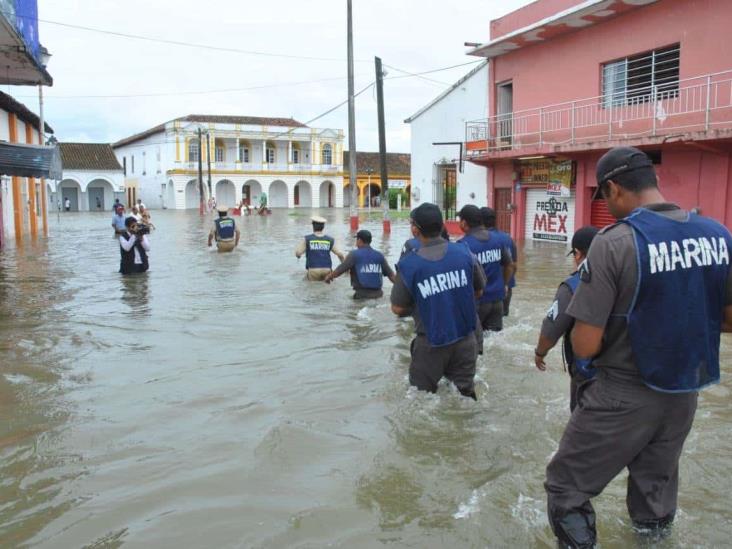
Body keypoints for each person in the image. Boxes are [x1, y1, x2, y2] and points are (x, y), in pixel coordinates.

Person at [544, 146, 732, 548]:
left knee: (566, 488)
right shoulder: (718, 234)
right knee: (654, 498)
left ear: (612, 188)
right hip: (684, 393)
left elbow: (586, 342)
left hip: (623, 392)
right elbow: (728, 319)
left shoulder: (613, 243)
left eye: (603, 195)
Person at [390, 203, 487, 399]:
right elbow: (479, 290)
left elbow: (397, 308)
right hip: (466, 340)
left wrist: (428, 304)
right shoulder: (464, 252)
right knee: (464, 396)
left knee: (421, 398)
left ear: (415, 229)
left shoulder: (409, 264)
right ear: (442, 225)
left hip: (430, 343)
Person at [533, 226, 599, 412]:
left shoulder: (572, 286)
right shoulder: (623, 277)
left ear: (578, 254)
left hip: (588, 373)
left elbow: (552, 328)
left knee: (582, 429)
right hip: (624, 371)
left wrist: (540, 353)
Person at [458, 205, 514, 332]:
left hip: (477, 303)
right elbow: (510, 265)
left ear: (464, 223)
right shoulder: (498, 240)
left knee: (476, 343)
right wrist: (504, 285)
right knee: (494, 340)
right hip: (497, 302)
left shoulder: (463, 246)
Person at [324, 230, 396, 298]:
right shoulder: (379, 255)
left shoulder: (354, 255)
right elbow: (392, 276)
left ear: (359, 240)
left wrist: (328, 277)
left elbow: (339, 271)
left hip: (361, 295)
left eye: (356, 240)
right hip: (378, 295)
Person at [480, 207, 518, 316]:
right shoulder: (507, 238)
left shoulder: (482, 241)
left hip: (488, 293)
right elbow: (514, 265)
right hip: (507, 289)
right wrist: (506, 284)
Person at [295, 216, 345, 281]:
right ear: (323, 227)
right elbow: (340, 254)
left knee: (312, 288)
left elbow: (298, 252)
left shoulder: (308, 239)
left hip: (313, 270)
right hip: (327, 269)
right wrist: (344, 267)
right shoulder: (329, 240)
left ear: (313, 226)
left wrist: (298, 256)